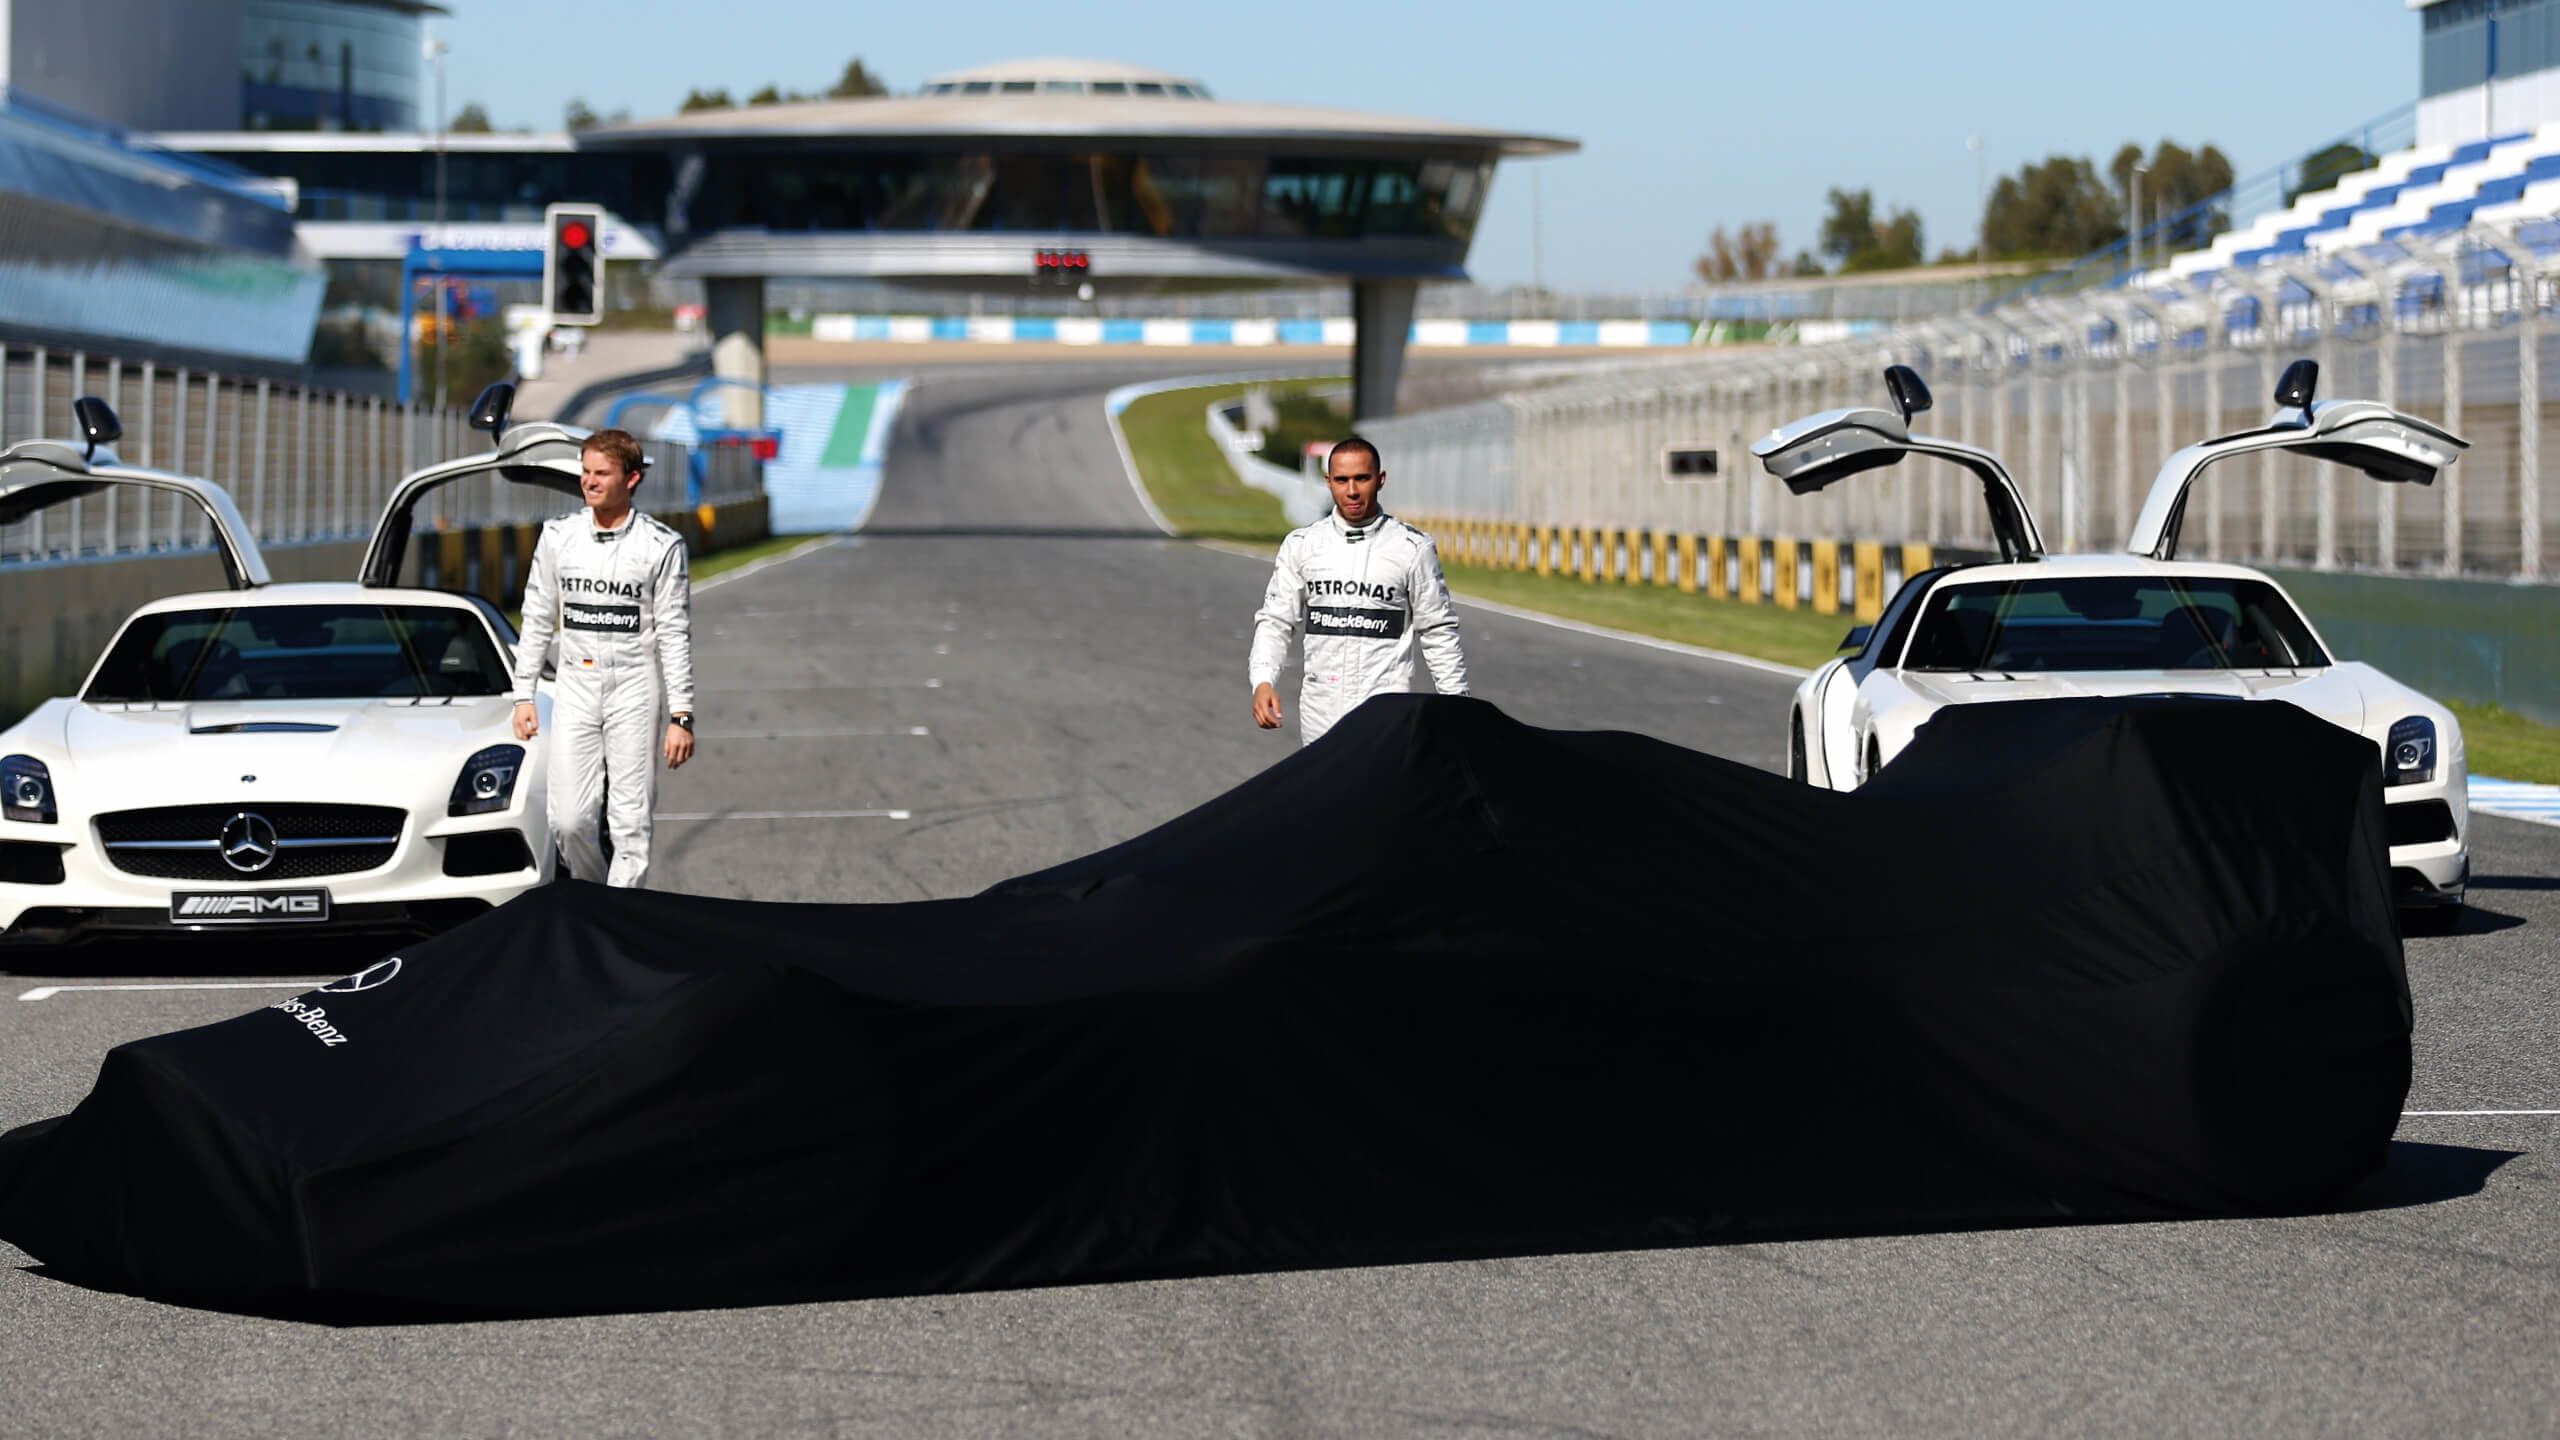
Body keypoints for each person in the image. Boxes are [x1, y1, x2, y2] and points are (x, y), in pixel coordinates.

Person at [509, 429, 696, 888]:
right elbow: (536, 617)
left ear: (632, 478)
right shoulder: (558, 537)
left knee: (630, 819)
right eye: (585, 472)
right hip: (575, 684)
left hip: (634, 684)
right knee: (569, 820)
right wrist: (523, 694)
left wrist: (682, 715)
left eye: (601, 473)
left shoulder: (662, 545)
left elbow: (674, 633)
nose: (589, 482)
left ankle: (620, 912)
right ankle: (596, 897)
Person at [1249, 434, 1468, 745]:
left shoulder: (1412, 548)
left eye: (1361, 479)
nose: (1351, 491)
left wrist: (1458, 703)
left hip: (1385, 716)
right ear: (1328, 482)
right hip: (1320, 714)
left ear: (1380, 480)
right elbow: (1276, 620)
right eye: (1342, 480)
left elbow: (1437, 631)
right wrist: (1262, 681)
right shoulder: (1303, 545)